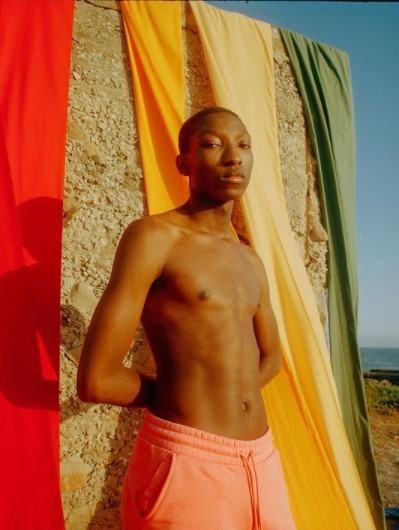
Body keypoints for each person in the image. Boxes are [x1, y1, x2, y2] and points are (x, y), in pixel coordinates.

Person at [77, 107, 296, 529]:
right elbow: (97, 380)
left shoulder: (250, 259)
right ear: (184, 162)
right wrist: (186, 397)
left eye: (244, 145)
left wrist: (226, 392)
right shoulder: (155, 237)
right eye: (213, 145)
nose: (234, 157)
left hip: (261, 461)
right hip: (187, 460)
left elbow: (271, 357)